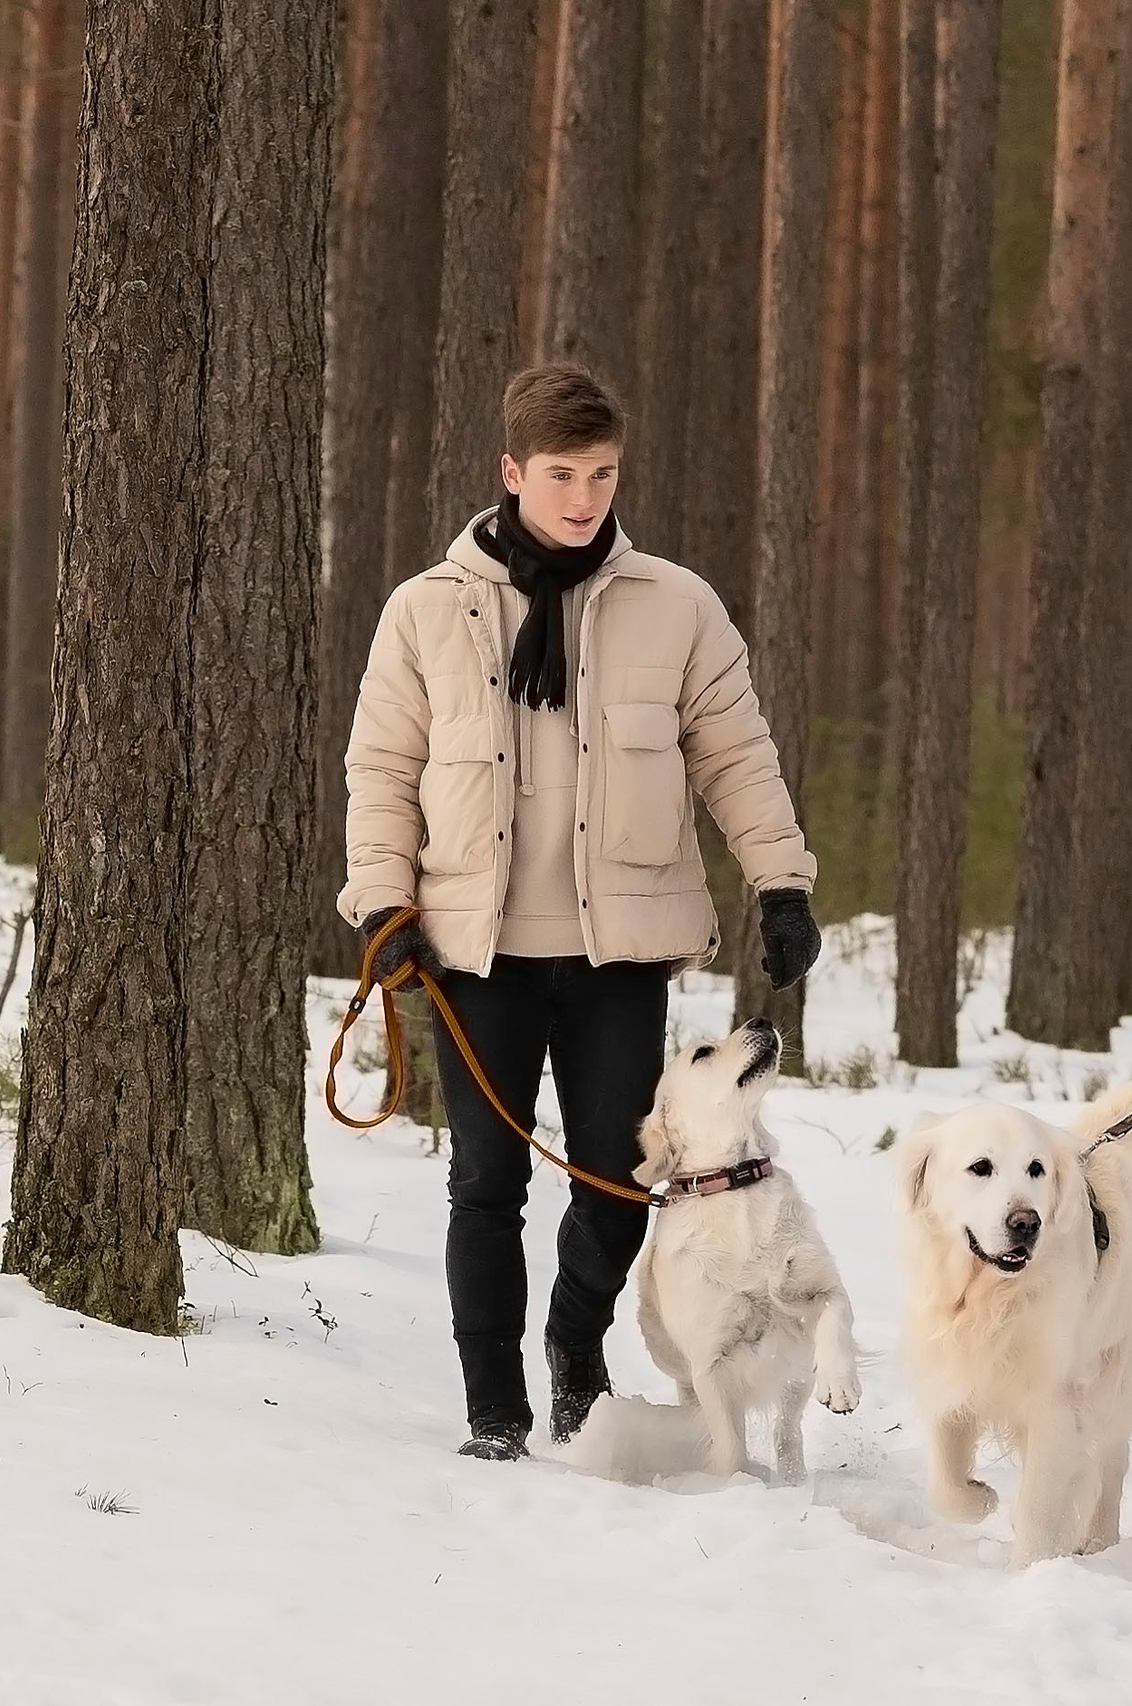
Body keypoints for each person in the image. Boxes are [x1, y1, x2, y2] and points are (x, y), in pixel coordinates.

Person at [339, 362, 822, 1461]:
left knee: (616, 1176)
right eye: (561, 474)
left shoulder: (677, 605)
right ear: (512, 472)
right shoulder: (425, 611)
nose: (583, 497)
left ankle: (573, 1342)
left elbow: (736, 753)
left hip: (620, 953)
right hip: (475, 952)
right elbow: (381, 766)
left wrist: (779, 877)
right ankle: (491, 1407)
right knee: (485, 1181)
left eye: (602, 475)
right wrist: (382, 899)